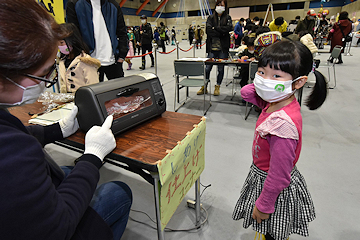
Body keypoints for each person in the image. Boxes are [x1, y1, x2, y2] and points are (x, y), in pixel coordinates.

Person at [0, 0, 132, 239]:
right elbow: (58, 227)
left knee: (64, 172)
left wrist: (55, 131)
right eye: (41, 74)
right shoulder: (12, 152)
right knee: (118, 191)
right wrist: (92, 157)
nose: (44, 85)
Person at [233, 40, 328, 240]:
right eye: (261, 72)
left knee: (273, 232)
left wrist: (265, 204)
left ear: (299, 82)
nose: (266, 79)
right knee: (267, 231)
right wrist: (263, 84)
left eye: (276, 76)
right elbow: (245, 93)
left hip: (273, 186)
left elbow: (279, 173)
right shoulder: (276, 100)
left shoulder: (282, 124)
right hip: (263, 176)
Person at [66, 0, 128, 82]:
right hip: (88, 62)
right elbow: (73, 34)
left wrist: (121, 56)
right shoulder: (75, 4)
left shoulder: (113, 5)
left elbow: (122, 32)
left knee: (120, 92)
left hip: (113, 61)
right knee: (92, 93)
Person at [197, 0, 233, 96]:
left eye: (222, 5)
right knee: (207, 68)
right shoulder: (210, 17)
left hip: (223, 49)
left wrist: (215, 28)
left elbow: (229, 28)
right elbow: (208, 31)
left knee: (220, 69)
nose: (219, 6)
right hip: (212, 48)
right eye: (218, 5)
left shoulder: (228, 17)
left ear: (225, 6)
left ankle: (217, 86)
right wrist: (222, 31)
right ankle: (204, 86)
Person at [58, 23, 101, 93]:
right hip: (67, 101)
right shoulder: (62, 61)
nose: (59, 46)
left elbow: (94, 87)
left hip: (83, 100)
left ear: (72, 40)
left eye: (61, 42)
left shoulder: (86, 61)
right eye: (57, 43)